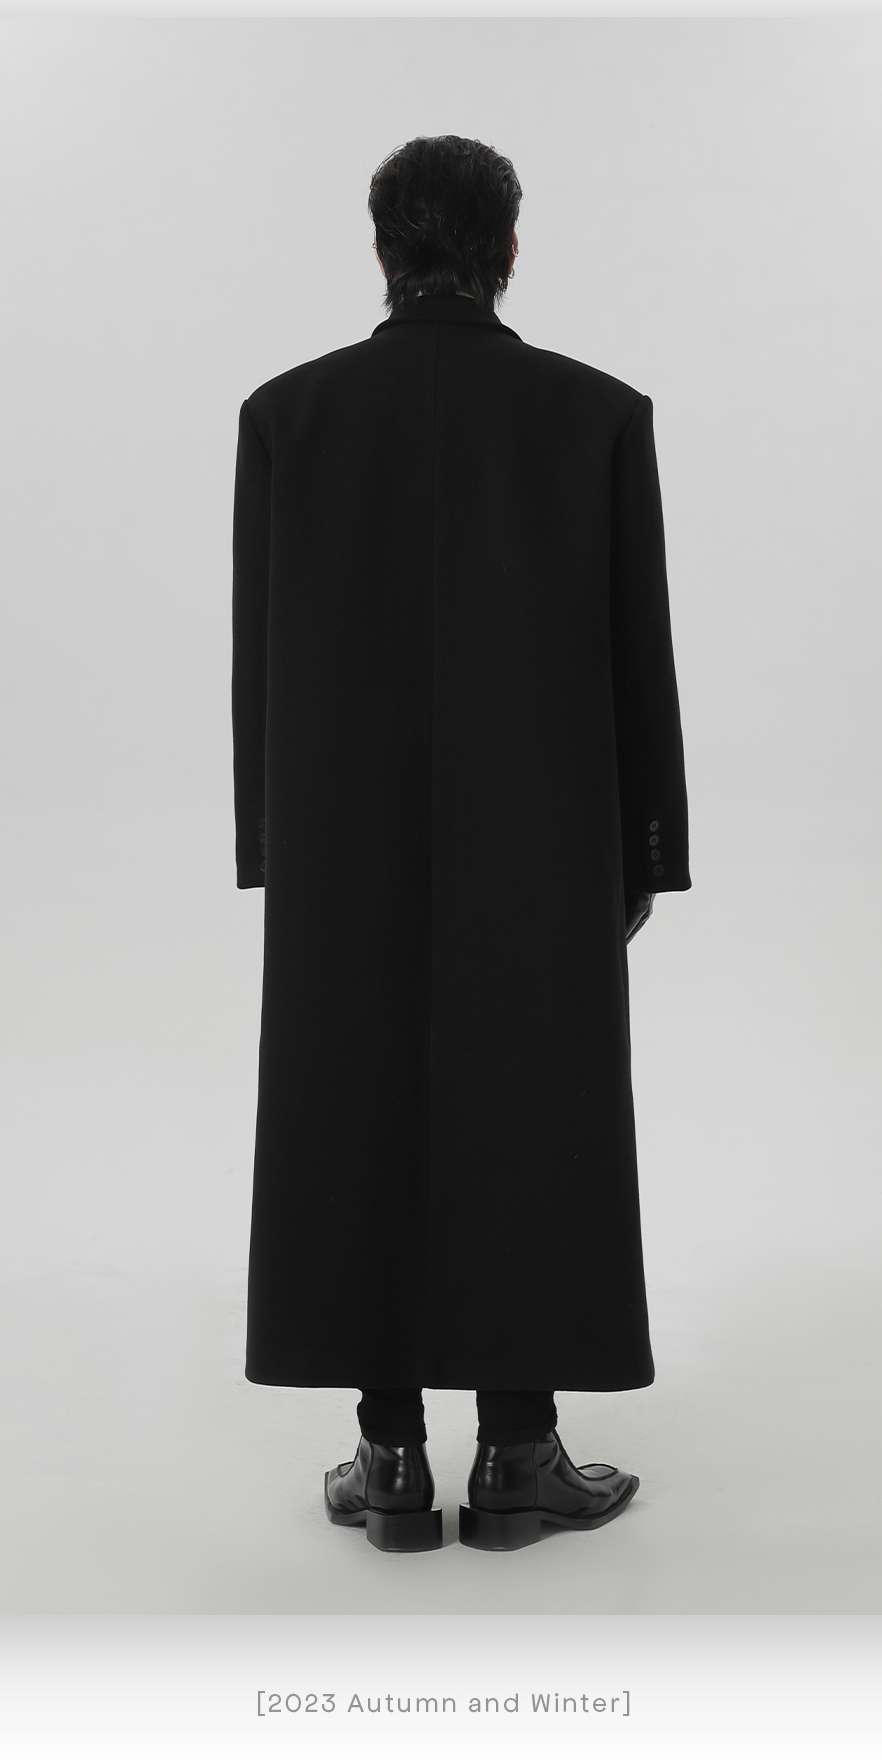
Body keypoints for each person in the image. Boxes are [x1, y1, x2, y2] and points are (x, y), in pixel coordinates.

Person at [232, 125, 689, 1550]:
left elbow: (263, 657)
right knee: (531, 1111)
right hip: (545, 831)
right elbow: (637, 652)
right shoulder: (595, 416)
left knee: (356, 1100)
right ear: (508, 249)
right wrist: (645, 850)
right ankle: (518, 1452)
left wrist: (276, 846)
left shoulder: (289, 417)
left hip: (340, 835)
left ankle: (389, 1460)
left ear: (383, 249)